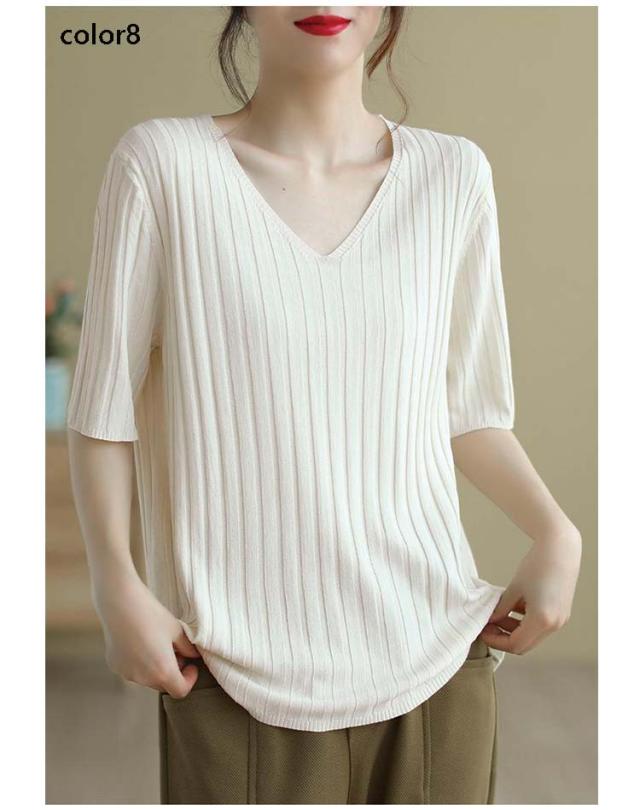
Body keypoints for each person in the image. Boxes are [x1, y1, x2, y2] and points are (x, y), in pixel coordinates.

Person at [66, 6, 582, 805]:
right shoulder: (162, 166)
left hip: (437, 651)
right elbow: (103, 410)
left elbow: (470, 411)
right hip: (233, 663)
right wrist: (116, 584)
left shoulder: (453, 176)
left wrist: (555, 531)